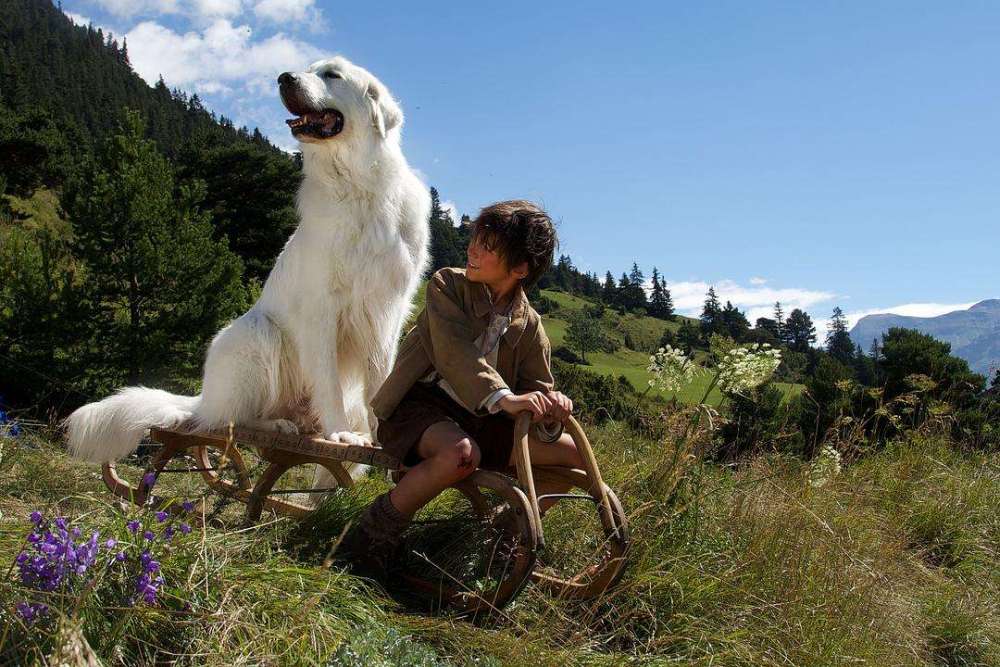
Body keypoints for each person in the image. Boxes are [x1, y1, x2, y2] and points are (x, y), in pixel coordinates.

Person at [342, 200, 583, 577]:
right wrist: (504, 398)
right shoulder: (447, 285)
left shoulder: (530, 324)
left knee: (574, 457)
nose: (472, 249)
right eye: (476, 239)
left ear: (520, 268)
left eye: (488, 246)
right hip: (418, 407)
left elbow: (536, 386)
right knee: (460, 453)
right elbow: (455, 353)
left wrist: (550, 407)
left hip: (481, 419)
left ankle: (506, 529)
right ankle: (371, 534)